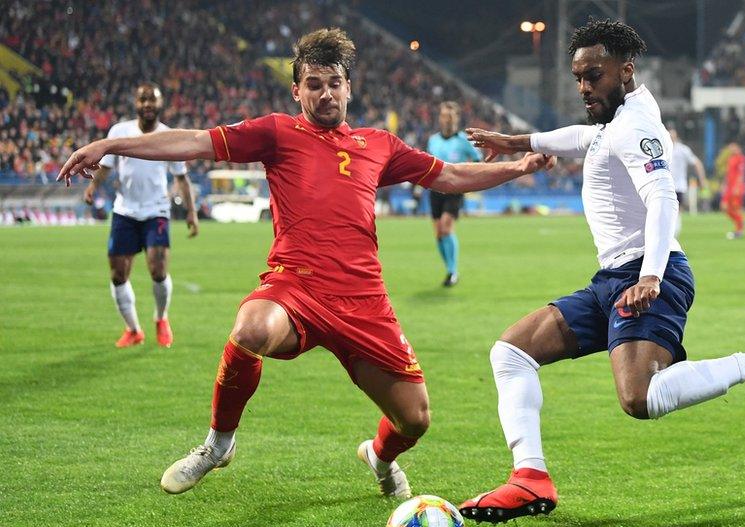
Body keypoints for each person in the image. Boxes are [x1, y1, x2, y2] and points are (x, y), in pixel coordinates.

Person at [59, 28, 554, 498]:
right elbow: (192, 141)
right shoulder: (276, 133)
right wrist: (109, 144)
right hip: (295, 287)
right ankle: (218, 444)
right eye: (313, 85)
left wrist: (516, 167)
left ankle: (379, 457)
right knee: (250, 329)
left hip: (364, 300)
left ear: (348, 88)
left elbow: (448, 176)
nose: (325, 94)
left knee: (415, 419)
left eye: (333, 84)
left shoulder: (378, 144)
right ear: (297, 91)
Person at [459, 19, 745, 523]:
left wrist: (651, 275)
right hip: (612, 279)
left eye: (592, 76)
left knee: (641, 398)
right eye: (578, 77)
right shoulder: (617, 118)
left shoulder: (636, 125)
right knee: (512, 352)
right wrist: (520, 141)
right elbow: (582, 138)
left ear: (625, 70)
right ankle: (529, 477)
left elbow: (663, 197)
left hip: (647, 277)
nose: (583, 87)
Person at [84, 84, 199, 348]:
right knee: (118, 274)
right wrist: (93, 186)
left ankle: (161, 318)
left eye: (153, 100)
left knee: (158, 269)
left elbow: (181, 177)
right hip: (125, 211)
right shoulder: (119, 132)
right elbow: (105, 167)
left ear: (161, 105)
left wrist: (191, 212)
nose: (148, 104)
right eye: (143, 99)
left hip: (156, 210)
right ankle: (133, 329)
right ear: (136, 103)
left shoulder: (170, 136)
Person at [425, 101, 483, 287]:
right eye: (444, 116)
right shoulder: (433, 140)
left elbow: (478, 161)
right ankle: (449, 269)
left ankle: (453, 271)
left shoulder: (464, 141)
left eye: (450, 117)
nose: (447, 120)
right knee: (439, 233)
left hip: (455, 190)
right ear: (440, 118)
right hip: (435, 190)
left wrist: (468, 179)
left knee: (446, 227)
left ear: (456, 119)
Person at [668, 128, 707, 232]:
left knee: (677, 209)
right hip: (665, 184)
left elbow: (697, 163)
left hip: (679, 185)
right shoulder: (662, 148)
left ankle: (675, 231)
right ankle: (671, 230)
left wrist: (702, 180)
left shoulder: (683, 149)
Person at [722, 142, 745, 239]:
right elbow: (728, 174)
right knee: (724, 207)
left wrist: (737, 187)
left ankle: (739, 230)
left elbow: (741, 174)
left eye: (733, 148)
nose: (731, 150)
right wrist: (724, 185)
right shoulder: (730, 159)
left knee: (736, 208)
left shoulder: (741, 159)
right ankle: (740, 221)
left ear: (738, 148)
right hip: (729, 187)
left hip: (737, 188)